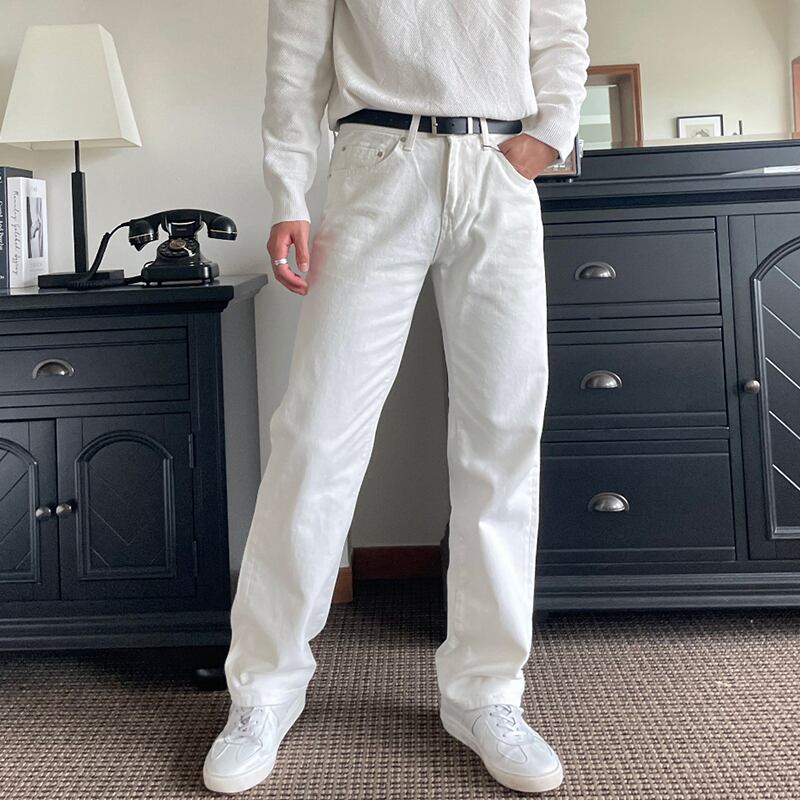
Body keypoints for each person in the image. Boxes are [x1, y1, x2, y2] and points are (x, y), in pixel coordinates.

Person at [203, 0, 589, 794]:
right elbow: (295, 60)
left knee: (502, 435)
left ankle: (486, 690)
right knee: (317, 433)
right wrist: (287, 192)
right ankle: (265, 688)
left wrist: (550, 133)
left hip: (497, 169)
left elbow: (561, 28)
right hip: (375, 161)